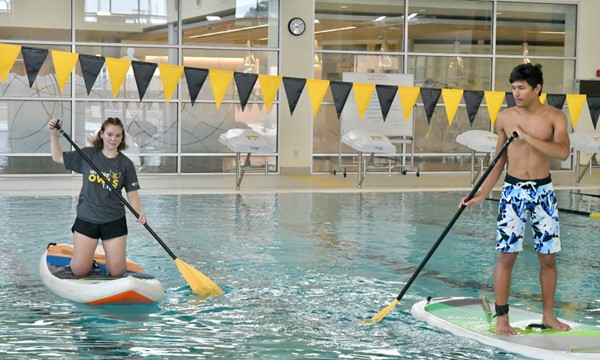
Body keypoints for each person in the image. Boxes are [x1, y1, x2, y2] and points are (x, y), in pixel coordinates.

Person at [460, 63, 571, 335]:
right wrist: (482, 194)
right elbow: (498, 162)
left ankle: (548, 315)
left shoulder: (555, 117)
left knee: (548, 258)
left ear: (537, 88)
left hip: (543, 192)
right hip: (513, 191)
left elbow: (563, 152)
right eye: (513, 88)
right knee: (506, 257)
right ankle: (502, 318)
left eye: (521, 88)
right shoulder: (504, 118)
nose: (516, 94)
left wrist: (529, 137)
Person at [48, 117, 146, 277]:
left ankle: (100, 260)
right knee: (79, 270)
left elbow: (132, 192)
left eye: (118, 135)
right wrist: (53, 135)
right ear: (102, 134)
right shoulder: (88, 155)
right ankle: (86, 261)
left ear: (122, 138)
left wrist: (139, 211)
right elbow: (57, 157)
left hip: (114, 221)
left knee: (117, 272)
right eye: (109, 134)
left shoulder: (126, 164)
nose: (113, 139)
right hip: (87, 219)